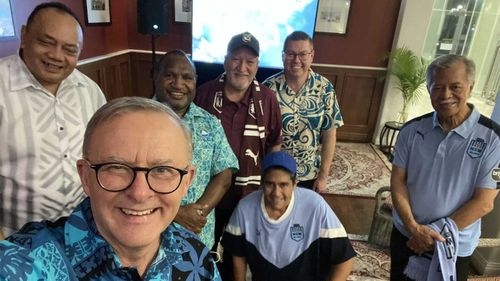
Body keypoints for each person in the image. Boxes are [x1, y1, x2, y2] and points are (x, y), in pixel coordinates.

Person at [0, 97, 221, 280]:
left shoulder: (196, 255)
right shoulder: (20, 264)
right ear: (85, 176)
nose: (140, 193)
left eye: (162, 170)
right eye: (116, 167)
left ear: (186, 182)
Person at [0, 2, 107, 238]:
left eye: (70, 49)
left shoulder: (90, 91)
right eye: (46, 43)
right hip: (16, 242)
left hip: (85, 233)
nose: (57, 56)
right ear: (24, 35)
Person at [390, 54, 500, 281]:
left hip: (454, 244)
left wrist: (432, 235)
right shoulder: (411, 130)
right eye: (437, 87)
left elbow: (484, 202)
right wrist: (413, 227)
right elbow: (398, 181)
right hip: (407, 235)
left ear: (471, 87)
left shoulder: (493, 139)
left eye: (455, 86)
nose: (446, 95)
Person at [195, 31, 282, 278]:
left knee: (241, 252)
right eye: (236, 59)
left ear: (257, 65)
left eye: (250, 62)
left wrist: (270, 187)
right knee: (205, 250)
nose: (242, 67)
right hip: (208, 194)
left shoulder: (267, 99)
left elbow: (274, 144)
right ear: (225, 60)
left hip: (249, 195)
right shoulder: (204, 94)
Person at [222, 151, 355, 281]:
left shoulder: (315, 206)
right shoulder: (245, 208)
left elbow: (344, 259)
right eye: (270, 184)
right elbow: (237, 254)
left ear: (295, 184)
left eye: (283, 185)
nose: (276, 193)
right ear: (261, 183)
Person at [154, 49, 238, 249]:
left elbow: (225, 174)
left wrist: (198, 213)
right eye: (169, 75)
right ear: (155, 76)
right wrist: (176, 214)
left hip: (197, 238)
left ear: (195, 81)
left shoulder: (210, 124)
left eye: (187, 78)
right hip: (151, 237)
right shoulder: (135, 120)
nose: (178, 84)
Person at [264, 31, 343, 192]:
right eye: (291, 54)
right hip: (276, 175)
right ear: (283, 55)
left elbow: (329, 134)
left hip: (309, 174)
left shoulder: (324, 88)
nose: (296, 60)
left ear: (312, 55)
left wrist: (323, 176)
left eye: (302, 54)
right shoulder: (267, 89)